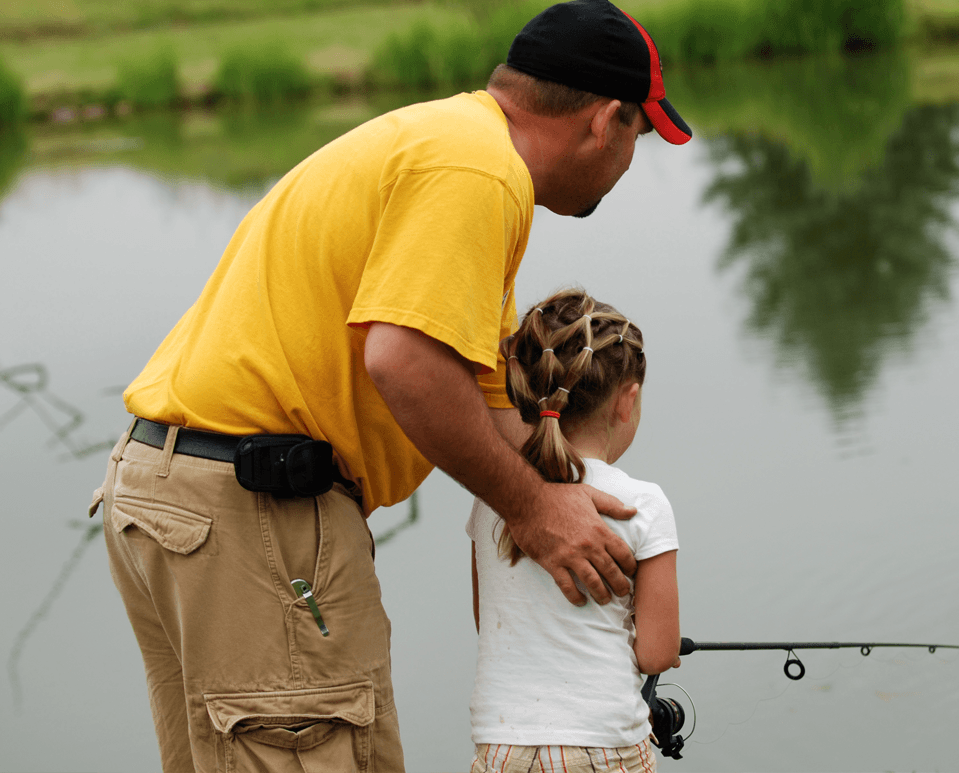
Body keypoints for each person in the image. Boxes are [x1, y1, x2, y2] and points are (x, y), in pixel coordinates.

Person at [87, 0, 692, 770]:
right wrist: (533, 508)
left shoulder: (445, 139)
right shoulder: (478, 171)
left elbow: (478, 392)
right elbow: (403, 362)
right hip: (255, 510)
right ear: (607, 119)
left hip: (172, 497)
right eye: (641, 135)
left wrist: (566, 490)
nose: (632, 159)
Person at [467, 289, 680, 773]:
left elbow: (489, 620)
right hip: (604, 745)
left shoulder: (496, 500)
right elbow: (658, 652)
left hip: (500, 746)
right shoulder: (643, 503)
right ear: (627, 402)